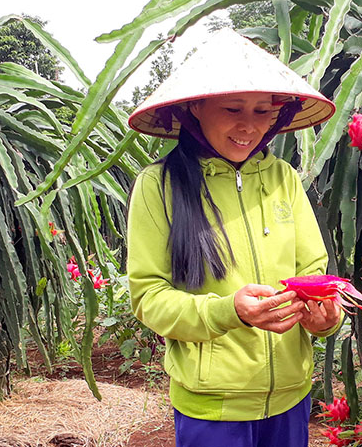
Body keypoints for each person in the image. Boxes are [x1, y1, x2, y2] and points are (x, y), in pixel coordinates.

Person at [125, 29, 342, 447]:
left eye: (263, 111)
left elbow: (314, 271)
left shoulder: (284, 178)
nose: (250, 126)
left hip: (291, 397)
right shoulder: (159, 186)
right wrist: (229, 311)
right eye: (232, 108)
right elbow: (149, 297)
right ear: (195, 108)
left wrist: (325, 317)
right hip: (212, 404)